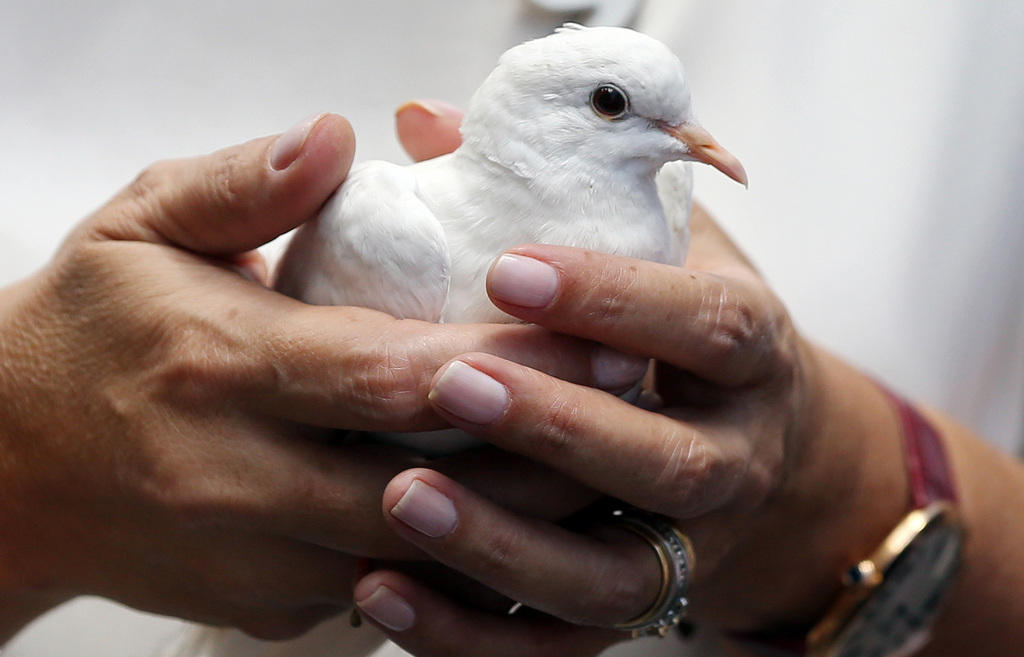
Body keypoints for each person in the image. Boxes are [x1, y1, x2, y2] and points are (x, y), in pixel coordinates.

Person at [2, 2, 1022, 657]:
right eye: (622, 109)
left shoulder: (658, 211)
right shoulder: (387, 218)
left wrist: (823, 487)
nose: (694, 149)